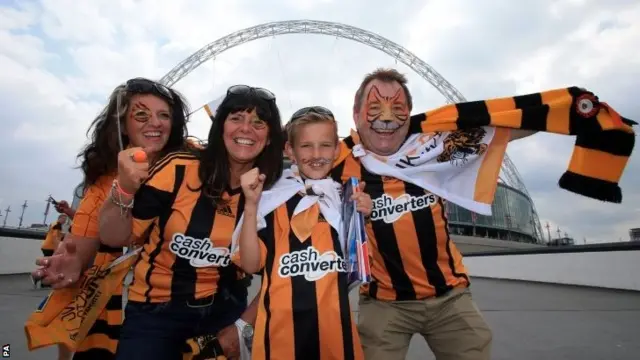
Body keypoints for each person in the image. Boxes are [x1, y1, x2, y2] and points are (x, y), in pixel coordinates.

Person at [97, 85, 285, 360]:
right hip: (155, 315)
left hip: (226, 314)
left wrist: (243, 325)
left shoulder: (274, 192)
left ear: (269, 138)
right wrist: (123, 190)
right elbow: (114, 237)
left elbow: (273, 272)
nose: (246, 129)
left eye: (259, 122)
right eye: (236, 118)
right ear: (220, 127)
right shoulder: (178, 169)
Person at [28, 77, 191, 360]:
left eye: (164, 115)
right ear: (122, 124)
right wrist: (73, 261)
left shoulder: (193, 161)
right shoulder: (104, 182)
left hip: (178, 307)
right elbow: (84, 241)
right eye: (141, 114)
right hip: (110, 306)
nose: (156, 122)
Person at [235, 107, 372, 360]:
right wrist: (252, 205)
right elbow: (250, 263)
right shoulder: (271, 200)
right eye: (307, 146)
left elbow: (361, 268)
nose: (317, 155)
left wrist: (364, 219)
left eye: (325, 145)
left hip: (335, 338)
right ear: (290, 151)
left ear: (337, 150)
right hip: (278, 339)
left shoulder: (346, 200)